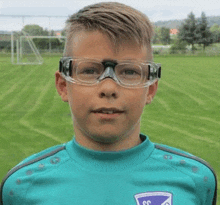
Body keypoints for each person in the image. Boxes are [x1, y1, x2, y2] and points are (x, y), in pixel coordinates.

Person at [0, 2, 217, 205]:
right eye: (90, 70)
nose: (108, 88)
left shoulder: (196, 179)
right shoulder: (21, 187)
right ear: (63, 86)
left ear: (150, 89)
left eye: (130, 71)